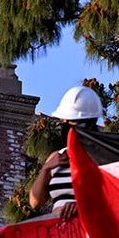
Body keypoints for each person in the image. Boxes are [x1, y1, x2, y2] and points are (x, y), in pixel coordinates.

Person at [29, 86, 103, 219]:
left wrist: (81, 205)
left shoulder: (101, 155)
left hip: (91, 229)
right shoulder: (58, 157)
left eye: (71, 122)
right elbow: (35, 202)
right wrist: (46, 168)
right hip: (61, 234)